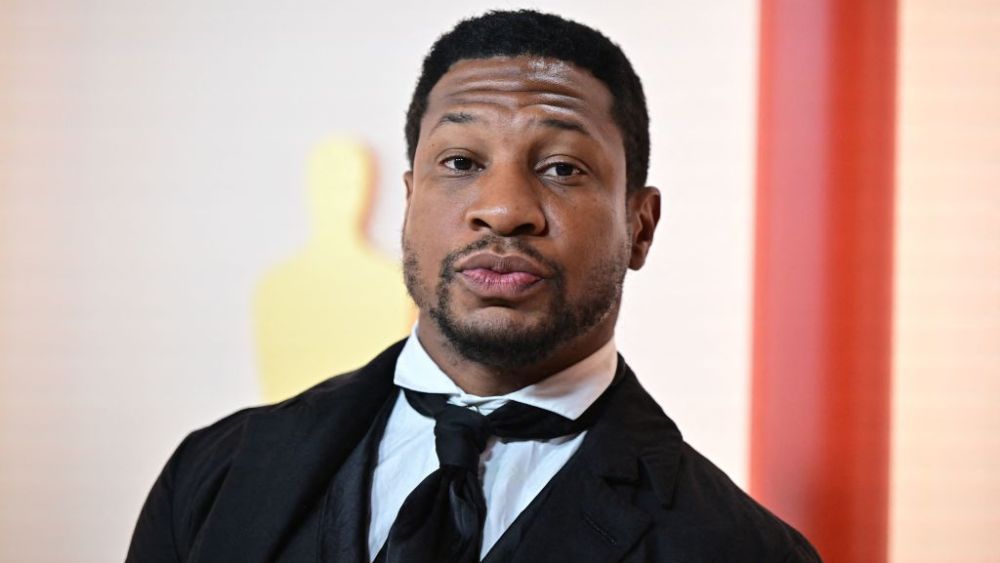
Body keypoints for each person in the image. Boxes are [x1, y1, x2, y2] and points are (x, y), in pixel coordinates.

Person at [127, 10, 820, 563]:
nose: (503, 207)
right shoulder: (213, 474)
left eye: (562, 168)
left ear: (639, 227)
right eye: (460, 161)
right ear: (408, 201)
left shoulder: (742, 549)